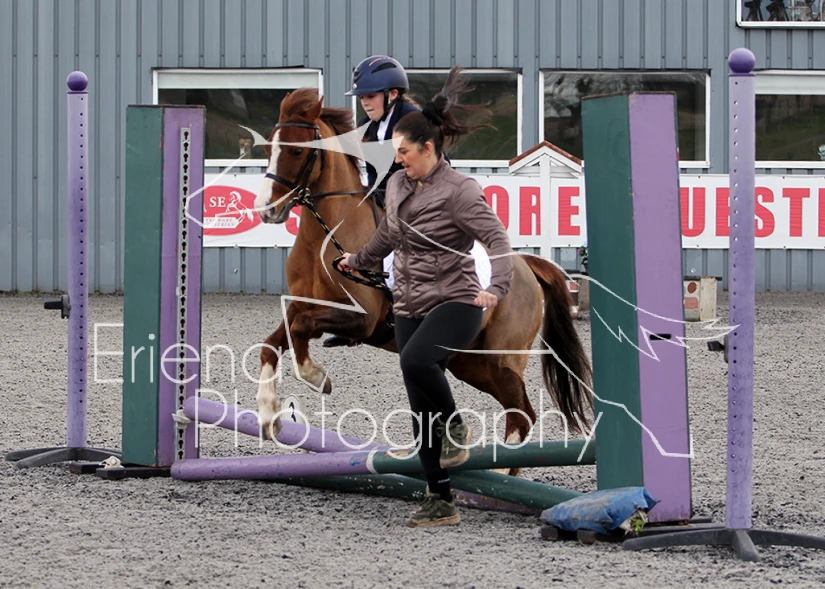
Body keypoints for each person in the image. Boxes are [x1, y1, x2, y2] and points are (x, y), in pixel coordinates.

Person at [338, 66, 514, 528]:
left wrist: (496, 288)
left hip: (457, 300)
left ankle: (456, 425)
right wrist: (357, 259)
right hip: (410, 301)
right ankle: (440, 499)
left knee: (416, 361)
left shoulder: (461, 191)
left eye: (405, 153)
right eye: (395, 153)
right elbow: (388, 236)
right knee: (419, 405)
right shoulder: (398, 183)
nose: (398, 161)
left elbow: (497, 241)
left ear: (429, 149)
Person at [323, 55, 421, 349]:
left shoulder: (413, 121)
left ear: (393, 94)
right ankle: (358, 316)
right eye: (362, 97)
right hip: (387, 198)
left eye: (371, 96)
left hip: (421, 196)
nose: (365, 102)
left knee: (394, 249)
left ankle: (397, 315)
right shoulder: (368, 125)